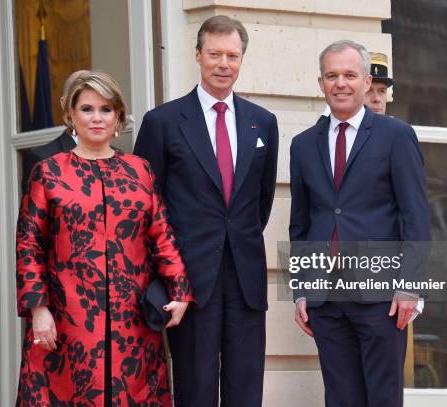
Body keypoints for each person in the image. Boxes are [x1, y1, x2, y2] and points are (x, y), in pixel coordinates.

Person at [16, 71, 193, 406]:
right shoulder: (48, 171)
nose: (96, 118)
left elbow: (161, 234)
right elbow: (29, 245)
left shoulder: (139, 170)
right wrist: (38, 309)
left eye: (106, 109)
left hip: (133, 322)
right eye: (87, 109)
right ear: (71, 115)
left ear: (118, 117)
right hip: (68, 321)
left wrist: (180, 290)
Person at [134, 15, 278, 407]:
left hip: (246, 278)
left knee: (246, 389)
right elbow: (147, 207)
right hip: (188, 281)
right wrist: (165, 275)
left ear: (242, 59)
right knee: (195, 389)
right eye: (215, 54)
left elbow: (259, 204)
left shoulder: (263, 122)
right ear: (198, 55)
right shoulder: (162, 122)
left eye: (232, 55)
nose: (223, 64)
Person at [289, 40, 429, 406]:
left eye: (350, 75)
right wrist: (302, 288)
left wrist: (411, 285)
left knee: (382, 397)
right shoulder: (303, 145)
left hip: (381, 297)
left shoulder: (396, 136)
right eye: (332, 76)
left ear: (367, 83)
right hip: (326, 298)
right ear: (321, 82)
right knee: (340, 398)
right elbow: (300, 224)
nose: (341, 83)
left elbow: (416, 216)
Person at [20, 69, 89, 194]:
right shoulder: (42, 160)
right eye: (85, 105)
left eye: (103, 107)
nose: (95, 116)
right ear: (65, 104)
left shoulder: (119, 160)